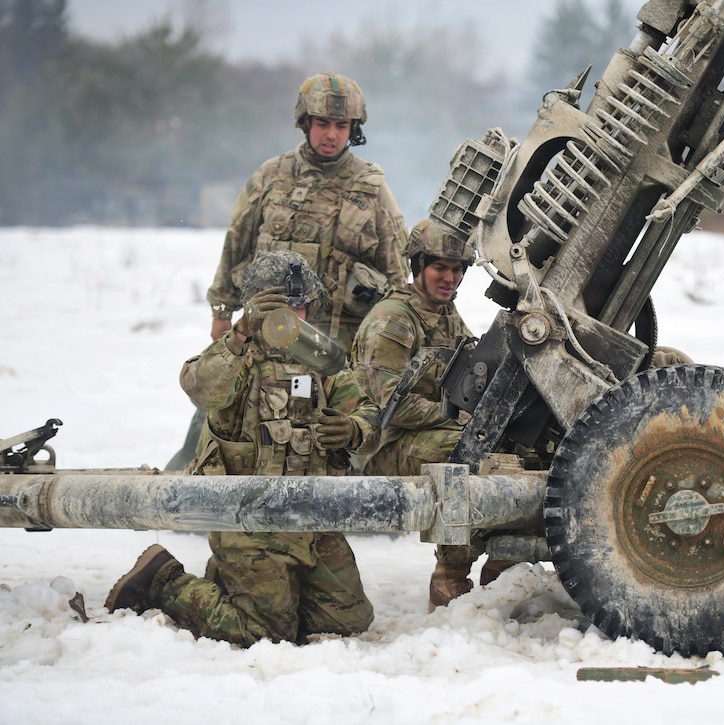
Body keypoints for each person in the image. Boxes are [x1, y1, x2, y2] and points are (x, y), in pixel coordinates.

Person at [106, 251, 381, 646]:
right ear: (258, 307)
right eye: (281, 307)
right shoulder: (238, 354)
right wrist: (239, 334)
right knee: (266, 635)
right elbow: (199, 387)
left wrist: (353, 430)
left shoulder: (320, 359)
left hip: (310, 517)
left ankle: (248, 589)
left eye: (300, 305)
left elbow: (370, 417)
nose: (294, 318)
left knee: (349, 621)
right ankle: (162, 580)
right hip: (246, 518)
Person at [165, 71, 409, 471]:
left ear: (354, 129)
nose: (331, 134)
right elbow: (236, 244)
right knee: (221, 405)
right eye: (323, 124)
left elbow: (397, 270)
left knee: (342, 421)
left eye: (341, 125)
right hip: (267, 329)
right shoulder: (271, 177)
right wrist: (222, 315)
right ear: (305, 123)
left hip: (339, 334)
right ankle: (183, 488)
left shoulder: (371, 188)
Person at [350, 219, 515, 611]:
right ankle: (450, 575)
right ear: (418, 267)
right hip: (383, 445)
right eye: (440, 268)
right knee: (465, 455)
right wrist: (459, 418)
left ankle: (503, 563)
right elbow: (392, 404)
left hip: (424, 433)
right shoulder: (393, 319)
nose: (450, 278)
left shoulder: (446, 315)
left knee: (505, 451)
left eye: (457, 270)